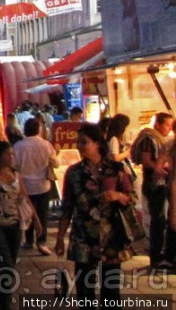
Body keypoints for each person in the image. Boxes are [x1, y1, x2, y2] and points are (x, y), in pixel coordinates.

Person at [55, 123, 136, 305]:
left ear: (97, 143)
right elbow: (67, 206)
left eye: (84, 142)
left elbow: (132, 197)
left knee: (111, 290)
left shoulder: (116, 169)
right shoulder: (74, 173)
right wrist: (60, 237)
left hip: (111, 235)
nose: (79, 146)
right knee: (84, 290)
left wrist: (118, 196)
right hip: (83, 236)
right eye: (78, 142)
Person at [0, 141, 40, 310]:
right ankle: (5, 304)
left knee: (10, 263)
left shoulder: (16, 175)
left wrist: (36, 220)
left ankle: (3, 300)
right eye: (8, 154)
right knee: (7, 264)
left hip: (14, 224)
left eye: (12, 154)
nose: (11, 157)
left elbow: (25, 198)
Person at [13, 118, 58, 255]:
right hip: (42, 185)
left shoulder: (18, 146)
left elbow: (14, 165)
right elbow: (55, 163)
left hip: (24, 185)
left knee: (27, 213)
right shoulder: (46, 145)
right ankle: (41, 241)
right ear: (38, 129)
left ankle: (28, 240)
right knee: (42, 214)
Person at [136, 112, 174, 269]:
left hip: (163, 184)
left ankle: (163, 255)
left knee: (164, 220)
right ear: (158, 123)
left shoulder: (164, 141)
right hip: (155, 184)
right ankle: (156, 256)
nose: (169, 128)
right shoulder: (149, 138)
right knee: (159, 221)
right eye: (167, 124)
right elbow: (147, 162)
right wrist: (169, 173)